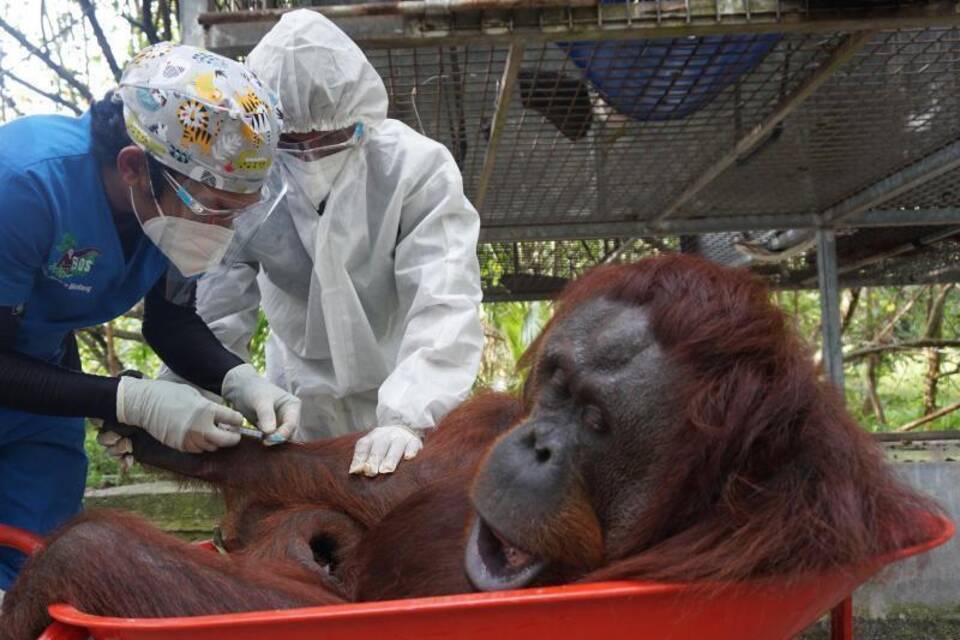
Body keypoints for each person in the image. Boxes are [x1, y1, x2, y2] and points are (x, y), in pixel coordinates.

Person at [0, 42, 301, 593]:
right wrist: (126, 399)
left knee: (35, 579)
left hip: (39, 390)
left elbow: (170, 321)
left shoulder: (166, 213)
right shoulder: (23, 182)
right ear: (135, 166)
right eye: (215, 208)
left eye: (239, 212)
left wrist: (240, 379)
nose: (223, 230)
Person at [192, 10, 484, 477]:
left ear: (359, 117)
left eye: (327, 138)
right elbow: (215, 311)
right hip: (295, 399)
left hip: (403, 382)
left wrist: (411, 415)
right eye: (290, 141)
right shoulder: (250, 184)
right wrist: (194, 400)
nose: (309, 154)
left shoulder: (414, 170)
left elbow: (444, 297)